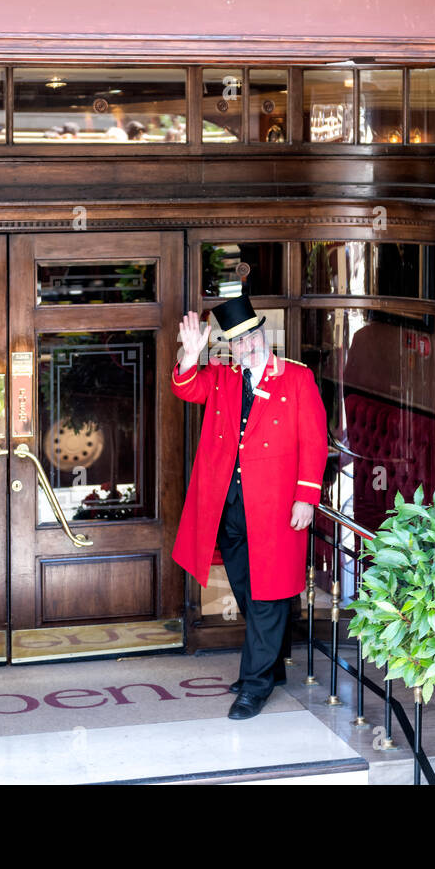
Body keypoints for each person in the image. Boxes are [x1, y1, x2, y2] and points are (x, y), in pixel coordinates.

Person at [170, 296, 328, 720]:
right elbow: (185, 388)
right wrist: (190, 354)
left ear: (264, 335)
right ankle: (272, 666)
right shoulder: (221, 377)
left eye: (251, 337)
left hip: (277, 510)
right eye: (237, 342)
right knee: (245, 589)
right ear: (231, 347)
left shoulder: (296, 378)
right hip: (231, 508)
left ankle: (254, 686)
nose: (246, 347)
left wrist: (307, 499)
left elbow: (315, 443)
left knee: (267, 596)